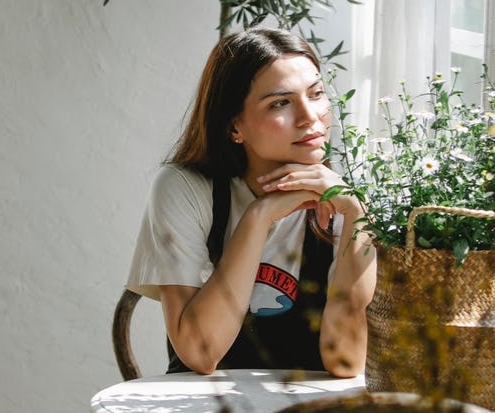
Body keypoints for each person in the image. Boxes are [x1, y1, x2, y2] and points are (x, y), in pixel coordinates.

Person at [126, 27, 376, 378]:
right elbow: (200, 353)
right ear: (234, 127)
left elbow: (346, 361)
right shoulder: (187, 188)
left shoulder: (345, 202)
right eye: (280, 103)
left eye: (317, 93)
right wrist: (259, 216)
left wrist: (355, 213)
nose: (310, 117)